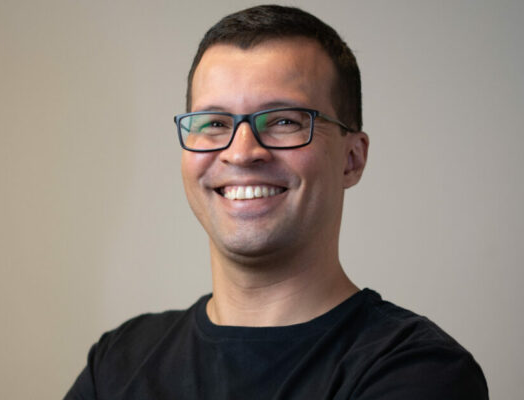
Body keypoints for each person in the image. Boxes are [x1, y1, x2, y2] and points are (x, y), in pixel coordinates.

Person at [65, 5, 488, 399]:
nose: (241, 152)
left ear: (352, 159)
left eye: (284, 120)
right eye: (214, 123)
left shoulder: (418, 371)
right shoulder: (119, 360)